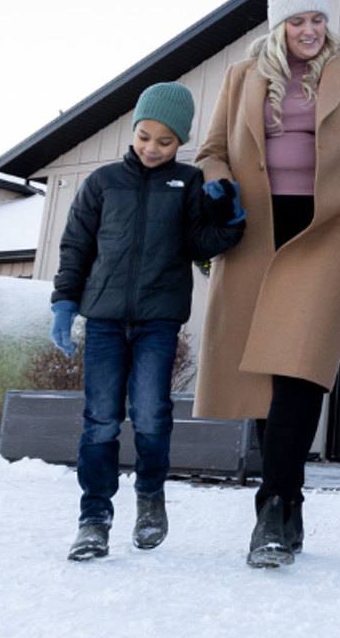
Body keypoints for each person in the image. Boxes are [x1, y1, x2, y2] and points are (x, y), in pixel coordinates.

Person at [195, 0, 340, 568]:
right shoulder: (241, 77)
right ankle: (287, 504)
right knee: (264, 376)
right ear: (277, 26)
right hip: (256, 234)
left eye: (318, 19)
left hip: (329, 234)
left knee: (300, 371)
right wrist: (218, 187)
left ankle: (270, 507)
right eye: (298, 21)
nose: (311, 30)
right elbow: (212, 152)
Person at [50, 82, 247, 562]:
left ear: (181, 142)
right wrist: (64, 303)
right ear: (133, 131)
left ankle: (150, 499)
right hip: (103, 321)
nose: (152, 148)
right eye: (144, 136)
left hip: (158, 321)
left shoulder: (188, 183)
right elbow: (77, 246)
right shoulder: (102, 183)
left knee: (152, 415)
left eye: (165, 141)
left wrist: (231, 216)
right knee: (99, 420)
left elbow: (204, 245)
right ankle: (93, 518)